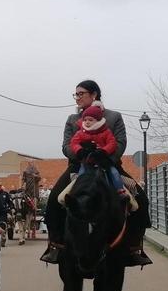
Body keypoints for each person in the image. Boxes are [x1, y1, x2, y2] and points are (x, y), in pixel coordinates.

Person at [39, 79, 126, 265]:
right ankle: (56, 245)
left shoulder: (114, 117)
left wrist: (104, 156)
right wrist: (81, 153)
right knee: (54, 199)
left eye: (81, 94)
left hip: (108, 164)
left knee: (140, 199)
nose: (77, 98)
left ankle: (133, 246)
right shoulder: (72, 119)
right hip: (79, 167)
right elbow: (66, 146)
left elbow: (120, 143)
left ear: (93, 95)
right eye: (75, 94)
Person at [58, 103, 136, 207]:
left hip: (106, 162)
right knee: (80, 177)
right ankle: (77, 194)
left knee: (115, 174)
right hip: (84, 162)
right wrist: (80, 151)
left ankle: (121, 192)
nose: (87, 122)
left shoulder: (110, 123)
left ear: (93, 94)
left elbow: (115, 143)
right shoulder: (77, 126)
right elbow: (71, 144)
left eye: (81, 93)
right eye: (85, 120)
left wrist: (104, 152)